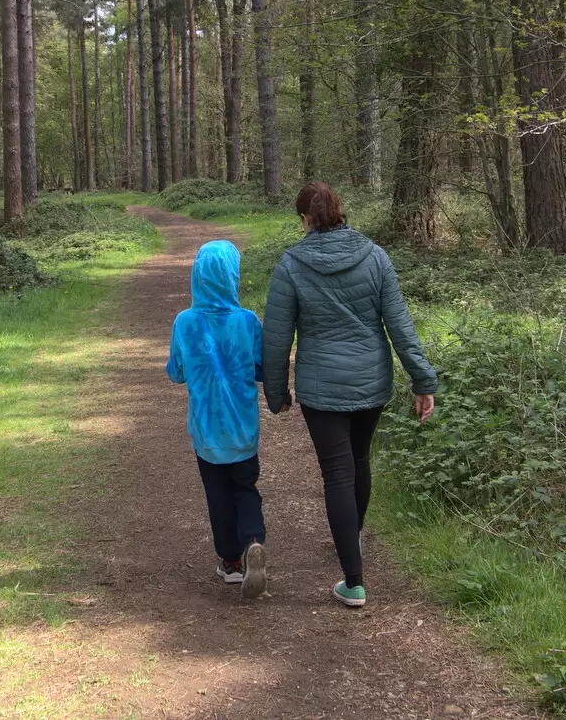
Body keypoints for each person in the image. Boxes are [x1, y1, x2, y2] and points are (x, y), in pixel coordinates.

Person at [262, 182, 436, 608]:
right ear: (341, 211)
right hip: (371, 380)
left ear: (305, 218)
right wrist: (422, 380)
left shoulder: (291, 264)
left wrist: (276, 391)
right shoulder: (375, 257)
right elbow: (400, 326)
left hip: (322, 387)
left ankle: (353, 581)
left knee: (337, 474)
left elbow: (276, 336)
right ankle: (350, 538)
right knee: (359, 461)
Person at [167, 239, 270, 599]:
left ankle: (231, 562)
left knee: (218, 495)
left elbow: (176, 373)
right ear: (233, 277)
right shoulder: (247, 322)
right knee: (245, 489)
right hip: (243, 428)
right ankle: (254, 539)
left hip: (206, 432)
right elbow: (261, 370)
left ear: (197, 276)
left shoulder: (185, 322)